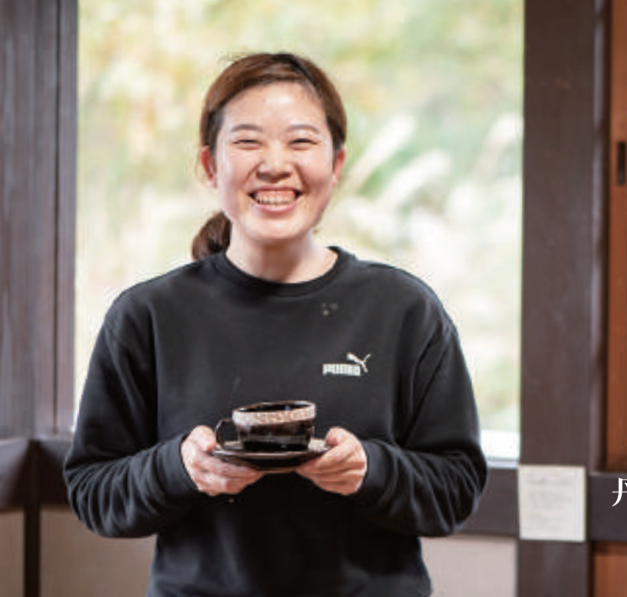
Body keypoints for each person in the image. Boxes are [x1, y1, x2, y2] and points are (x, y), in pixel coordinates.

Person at [64, 52, 488, 597]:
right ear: (210, 166)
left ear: (336, 164)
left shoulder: (403, 310)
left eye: (300, 141)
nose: (274, 164)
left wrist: (371, 470)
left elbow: (457, 488)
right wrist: (179, 468)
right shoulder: (149, 315)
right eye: (247, 141)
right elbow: (92, 491)